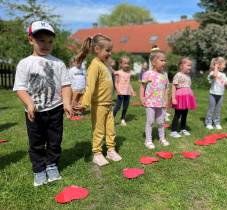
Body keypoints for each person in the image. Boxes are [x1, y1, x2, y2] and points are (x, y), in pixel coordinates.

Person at [13, 21, 73, 187]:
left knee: (55, 140)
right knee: (36, 141)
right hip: (34, 112)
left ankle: (52, 165)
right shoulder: (25, 63)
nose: (46, 44)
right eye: (41, 40)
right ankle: (39, 169)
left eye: (50, 41)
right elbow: (20, 88)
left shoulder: (58, 63)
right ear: (31, 40)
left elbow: (66, 85)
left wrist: (67, 103)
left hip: (55, 109)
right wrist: (29, 103)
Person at [75, 33, 122, 166]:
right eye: (107, 50)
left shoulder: (104, 64)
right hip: (98, 105)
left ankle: (111, 150)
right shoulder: (95, 65)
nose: (110, 53)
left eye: (110, 50)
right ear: (97, 49)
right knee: (99, 130)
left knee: (111, 129)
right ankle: (97, 153)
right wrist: (84, 104)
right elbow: (90, 87)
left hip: (108, 104)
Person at [140, 44, 169, 149]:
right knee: (150, 121)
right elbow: (142, 87)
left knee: (161, 121)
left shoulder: (164, 75)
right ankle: (148, 140)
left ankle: (162, 138)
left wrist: (166, 101)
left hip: (160, 103)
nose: (164, 63)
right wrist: (141, 98)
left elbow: (166, 88)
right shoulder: (148, 74)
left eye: (164, 60)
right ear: (153, 62)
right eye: (161, 60)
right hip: (150, 102)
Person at [169, 57, 197, 138]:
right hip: (179, 97)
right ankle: (173, 131)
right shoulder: (177, 75)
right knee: (177, 114)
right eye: (188, 65)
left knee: (185, 114)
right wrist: (173, 98)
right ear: (181, 66)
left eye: (190, 65)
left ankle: (183, 128)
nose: (190, 67)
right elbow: (174, 87)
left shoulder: (188, 76)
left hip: (187, 97)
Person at [205, 57, 227, 130]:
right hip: (213, 94)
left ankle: (216, 123)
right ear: (219, 65)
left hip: (220, 95)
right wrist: (215, 67)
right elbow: (214, 76)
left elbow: (224, 82)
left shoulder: (223, 74)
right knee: (211, 109)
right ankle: (208, 123)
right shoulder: (212, 73)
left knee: (218, 109)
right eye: (224, 64)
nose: (225, 66)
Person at [113, 56, 137, 125]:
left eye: (128, 64)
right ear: (120, 64)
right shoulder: (118, 73)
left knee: (125, 107)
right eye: (125, 63)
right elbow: (116, 83)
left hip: (127, 93)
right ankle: (111, 119)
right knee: (118, 107)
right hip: (121, 93)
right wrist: (118, 90)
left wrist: (132, 91)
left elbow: (129, 84)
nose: (127, 65)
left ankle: (122, 119)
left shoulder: (129, 73)